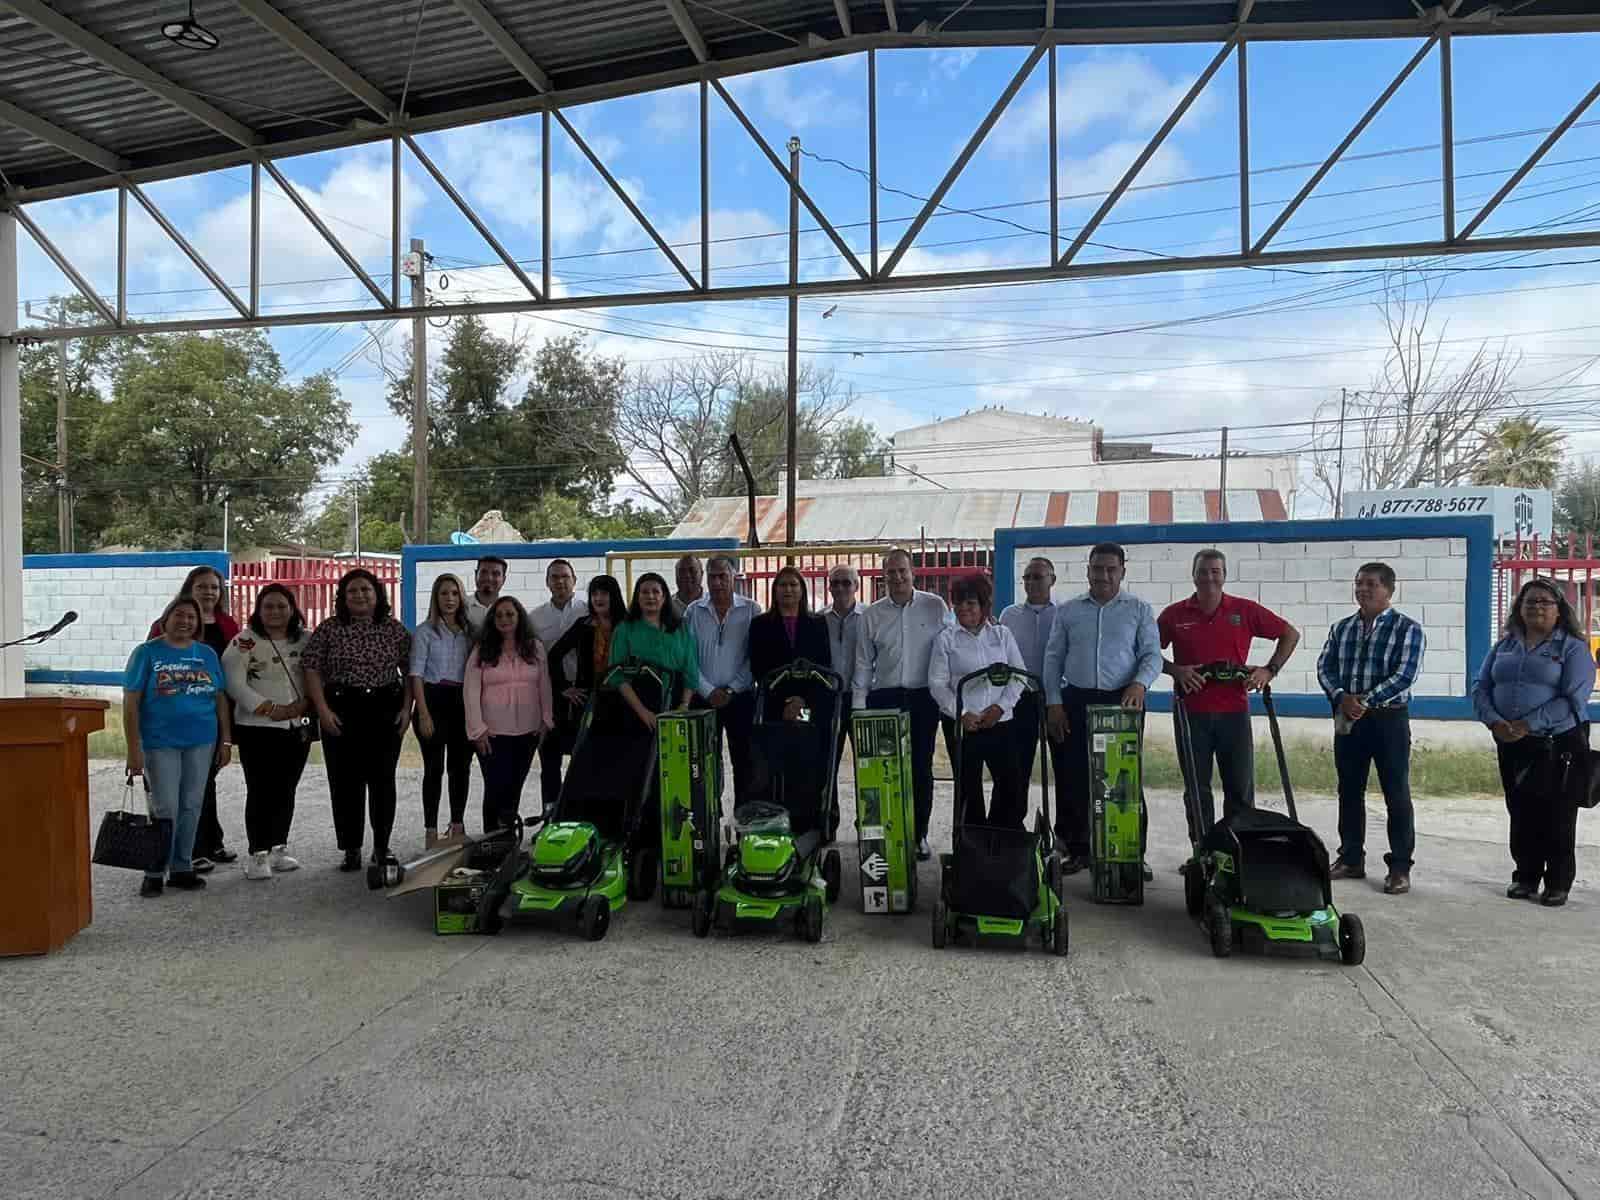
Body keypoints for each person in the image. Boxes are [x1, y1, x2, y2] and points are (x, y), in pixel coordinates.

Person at [1158, 549, 1301, 834]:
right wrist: (1176, 670)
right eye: (1203, 571)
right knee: (1196, 790)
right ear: (1193, 574)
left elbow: (1290, 634)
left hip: (1234, 712)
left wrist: (1268, 670)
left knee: (1239, 789)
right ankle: (1203, 854)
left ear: (1224, 576)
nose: (1209, 577)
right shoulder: (1174, 614)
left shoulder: (1244, 610)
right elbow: (1147, 652)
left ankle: (1237, 853)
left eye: (1215, 571)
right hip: (1190, 714)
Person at [1472, 578, 1594, 908]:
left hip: (1557, 744)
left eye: (1544, 602)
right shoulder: (1504, 646)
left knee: (1557, 814)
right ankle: (1525, 876)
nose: (1536, 607)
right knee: (1521, 810)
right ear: (1519, 609)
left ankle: (1557, 882)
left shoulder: (1572, 648)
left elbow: (1574, 699)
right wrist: (1495, 722)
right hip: (1511, 743)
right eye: (1529, 602)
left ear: (1559, 610)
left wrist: (1528, 724)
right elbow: (1480, 686)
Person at [1042, 543, 1161, 875]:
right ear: (1088, 571)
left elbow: (1152, 655)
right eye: (1097, 569)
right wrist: (1054, 702)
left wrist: (1140, 683)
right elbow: (1053, 659)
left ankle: (1131, 852)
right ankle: (1077, 850)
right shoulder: (1068, 611)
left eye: (1111, 569)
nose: (1103, 575)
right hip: (1075, 701)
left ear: (1123, 571)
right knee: (1074, 777)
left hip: (1123, 701)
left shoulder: (1138, 609)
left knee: (1124, 779)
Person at [1316, 562, 1426, 896]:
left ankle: (1400, 867)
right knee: (1349, 790)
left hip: (1388, 719)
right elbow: (1325, 666)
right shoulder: (1342, 628)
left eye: (1372, 584)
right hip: (1348, 718)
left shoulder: (1408, 629)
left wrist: (1364, 700)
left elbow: (1405, 675)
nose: (1363, 589)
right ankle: (1351, 858)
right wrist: (1341, 697)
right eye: (1359, 583)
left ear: (1389, 590)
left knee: (1396, 792)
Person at [303, 569, 412, 873]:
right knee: (345, 781)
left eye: (366, 589)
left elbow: (411, 670)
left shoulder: (394, 630)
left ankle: (381, 846)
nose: (360, 595)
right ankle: (351, 848)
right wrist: (323, 711)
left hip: (385, 708)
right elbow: (311, 669)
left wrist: (407, 709)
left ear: (377, 595)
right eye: (352, 591)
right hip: (342, 708)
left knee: (382, 780)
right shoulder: (329, 629)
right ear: (342, 597)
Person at [124, 596, 233, 898]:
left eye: (191, 617)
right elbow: (131, 704)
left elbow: (220, 698)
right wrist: (134, 750)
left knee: (191, 805)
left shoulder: (207, 654)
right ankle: (154, 871)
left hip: (201, 740)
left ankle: (182, 866)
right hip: (160, 743)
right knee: (164, 808)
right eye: (179, 615)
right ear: (166, 618)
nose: (185, 621)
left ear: (198, 623)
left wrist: (226, 740)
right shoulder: (146, 653)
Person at [853, 548, 951, 861]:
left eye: (902, 571)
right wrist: (859, 707)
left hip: (924, 698)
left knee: (921, 767)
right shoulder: (871, 615)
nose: (897, 578)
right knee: (885, 769)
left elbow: (950, 646)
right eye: (890, 573)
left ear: (913, 573)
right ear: (883, 577)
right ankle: (886, 830)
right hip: (885, 698)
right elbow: (863, 664)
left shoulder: (935, 606)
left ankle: (919, 833)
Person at [148, 565, 239, 872]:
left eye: (214, 587)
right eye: (202, 586)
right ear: (190, 589)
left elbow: (231, 671)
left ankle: (209, 843)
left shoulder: (228, 625)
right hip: (167, 726)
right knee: (177, 795)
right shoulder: (164, 628)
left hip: (211, 714)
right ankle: (189, 850)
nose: (209, 592)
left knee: (202, 785)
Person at [222, 584, 312, 882]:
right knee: (261, 790)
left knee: (286, 789)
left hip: (296, 728)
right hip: (257, 728)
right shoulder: (244, 641)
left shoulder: (306, 639)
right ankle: (257, 853)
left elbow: (316, 676)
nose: (276, 612)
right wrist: (270, 708)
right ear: (259, 611)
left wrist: (303, 706)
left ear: (292, 609)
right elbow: (234, 684)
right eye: (269, 607)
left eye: (282, 606)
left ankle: (278, 847)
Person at [930, 574, 1028, 830]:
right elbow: (937, 685)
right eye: (958, 603)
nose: (963, 608)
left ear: (984, 605)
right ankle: (972, 848)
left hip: (1001, 723)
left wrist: (1000, 707)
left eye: (971, 603)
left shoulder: (1002, 635)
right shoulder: (946, 639)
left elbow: (1019, 676)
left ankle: (1001, 840)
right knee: (968, 789)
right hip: (963, 727)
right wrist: (961, 713)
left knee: (1010, 786)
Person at [464, 596, 554, 833]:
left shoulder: (535, 647)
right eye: (499, 615)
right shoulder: (481, 649)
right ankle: (491, 839)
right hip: (491, 733)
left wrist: (546, 719)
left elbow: (544, 685)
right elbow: (471, 690)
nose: (505, 619)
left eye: (510, 614)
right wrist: (477, 728)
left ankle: (508, 839)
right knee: (495, 788)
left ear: (519, 618)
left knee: (515, 787)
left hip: (528, 731)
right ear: (492, 620)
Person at [685, 555, 762, 804]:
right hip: (703, 700)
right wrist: (708, 691)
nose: (717, 582)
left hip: (741, 699)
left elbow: (755, 658)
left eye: (722, 576)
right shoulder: (694, 611)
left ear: (733, 577)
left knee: (744, 763)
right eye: (712, 577)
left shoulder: (751, 609)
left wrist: (731, 690)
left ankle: (744, 825)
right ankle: (707, 824)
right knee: (703, 764)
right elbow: (689, 658)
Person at [409, 573, 474, 848]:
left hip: (462, 703)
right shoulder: (425, 631)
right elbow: (416, 675)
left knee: (460, 768)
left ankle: (457, 825)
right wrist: (423, 714)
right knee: (433, 769)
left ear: (461, 597)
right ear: (436, 598)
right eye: (444, 593)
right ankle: (431, 830)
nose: (449, 599)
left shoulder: (471, 632)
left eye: (454, 593)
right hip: (432, 701)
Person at [999, 556, 1062, 806]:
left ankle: (1065, 834)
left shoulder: (1064, 614)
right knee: (1016, 767)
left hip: (1056, 700)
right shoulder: (1009, 615)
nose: (1032, 582)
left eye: (1039, 576)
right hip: (1020, 699)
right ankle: (1013, 829)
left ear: (1052, 580)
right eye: (1028, 577)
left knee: (1064, 766)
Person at [530, 559, 588, 817]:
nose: (560, 582)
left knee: (584, 760)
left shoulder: (587, 613)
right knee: (550, 760)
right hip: (551, 696)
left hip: (585, 695)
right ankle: (550, 815)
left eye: (565, 577)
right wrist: (560, 688)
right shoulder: (535, 618)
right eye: (554, 577)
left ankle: (579, 815)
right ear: (547, 582)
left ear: (574, 581)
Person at [610, 572, 698, 729]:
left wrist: (684, 706)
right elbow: (617, 675)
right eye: (644, 592)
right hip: (635, 708)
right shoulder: (625, 629)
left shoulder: (680, 628)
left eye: (656, 592)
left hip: (676, 706)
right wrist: (642, 712)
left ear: (664, 597)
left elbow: (691, 670)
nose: (650, 596)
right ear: (637, 597)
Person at [549, 574, 629, 744]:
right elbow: (554, 656)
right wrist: (564, 687)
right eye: (594, 594)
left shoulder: (628, 625)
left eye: (603, 593)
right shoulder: (583, 624)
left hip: (623, 700)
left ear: (614, 595)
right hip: (588, 701)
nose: (598, 598)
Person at [824, 564, 865, 786]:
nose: (840, 588)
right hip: (831, 699)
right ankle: (829, 819)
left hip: (862, 699)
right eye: (835, 583)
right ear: (829, 587)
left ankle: (866, 818)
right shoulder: (820, 619)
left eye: (846, 583)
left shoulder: (869, 617)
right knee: (827, 762)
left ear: (856, 586)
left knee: (866, 762)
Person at [465, 555, 509, 629]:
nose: (488, 578)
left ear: (503, 579)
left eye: (495, 574)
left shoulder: (510, 611)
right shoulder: (461, 607)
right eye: (484, 572)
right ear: (476, 574)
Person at [671, 554, 704, 621]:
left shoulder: (714, 605)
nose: (687, 575)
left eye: (692, 570)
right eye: (681, 571)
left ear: (702, 574)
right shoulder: (666, 606)